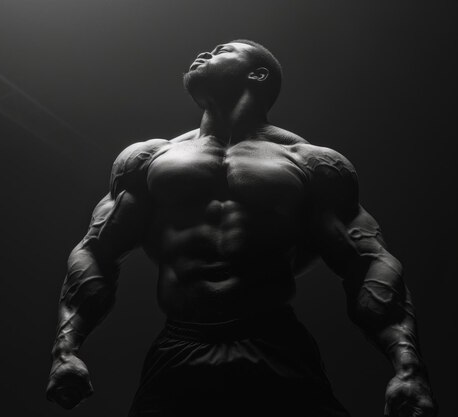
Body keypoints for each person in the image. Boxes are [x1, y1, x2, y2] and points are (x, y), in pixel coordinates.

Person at [45, 40, 437, 416]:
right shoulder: (146, 159)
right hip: (180, 347)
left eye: (222, 50)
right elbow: (97, 251)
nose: (204, 53)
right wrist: (66, 350)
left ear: (259, 74)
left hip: (274, 344)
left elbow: (367, 263)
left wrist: (408, 368)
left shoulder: (313, 164)